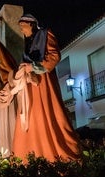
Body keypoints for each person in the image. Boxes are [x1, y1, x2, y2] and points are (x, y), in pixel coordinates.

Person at [11, 14, 81, 163]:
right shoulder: (28, 43)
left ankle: (56, 151)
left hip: (44, 82)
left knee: (49, 112)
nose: (22, 30)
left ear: (31, 24)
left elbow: (54, 56)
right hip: (31, 84)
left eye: (23, 26)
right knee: (32, 116)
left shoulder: (45, 33)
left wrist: (33, 67)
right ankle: (32, 154)